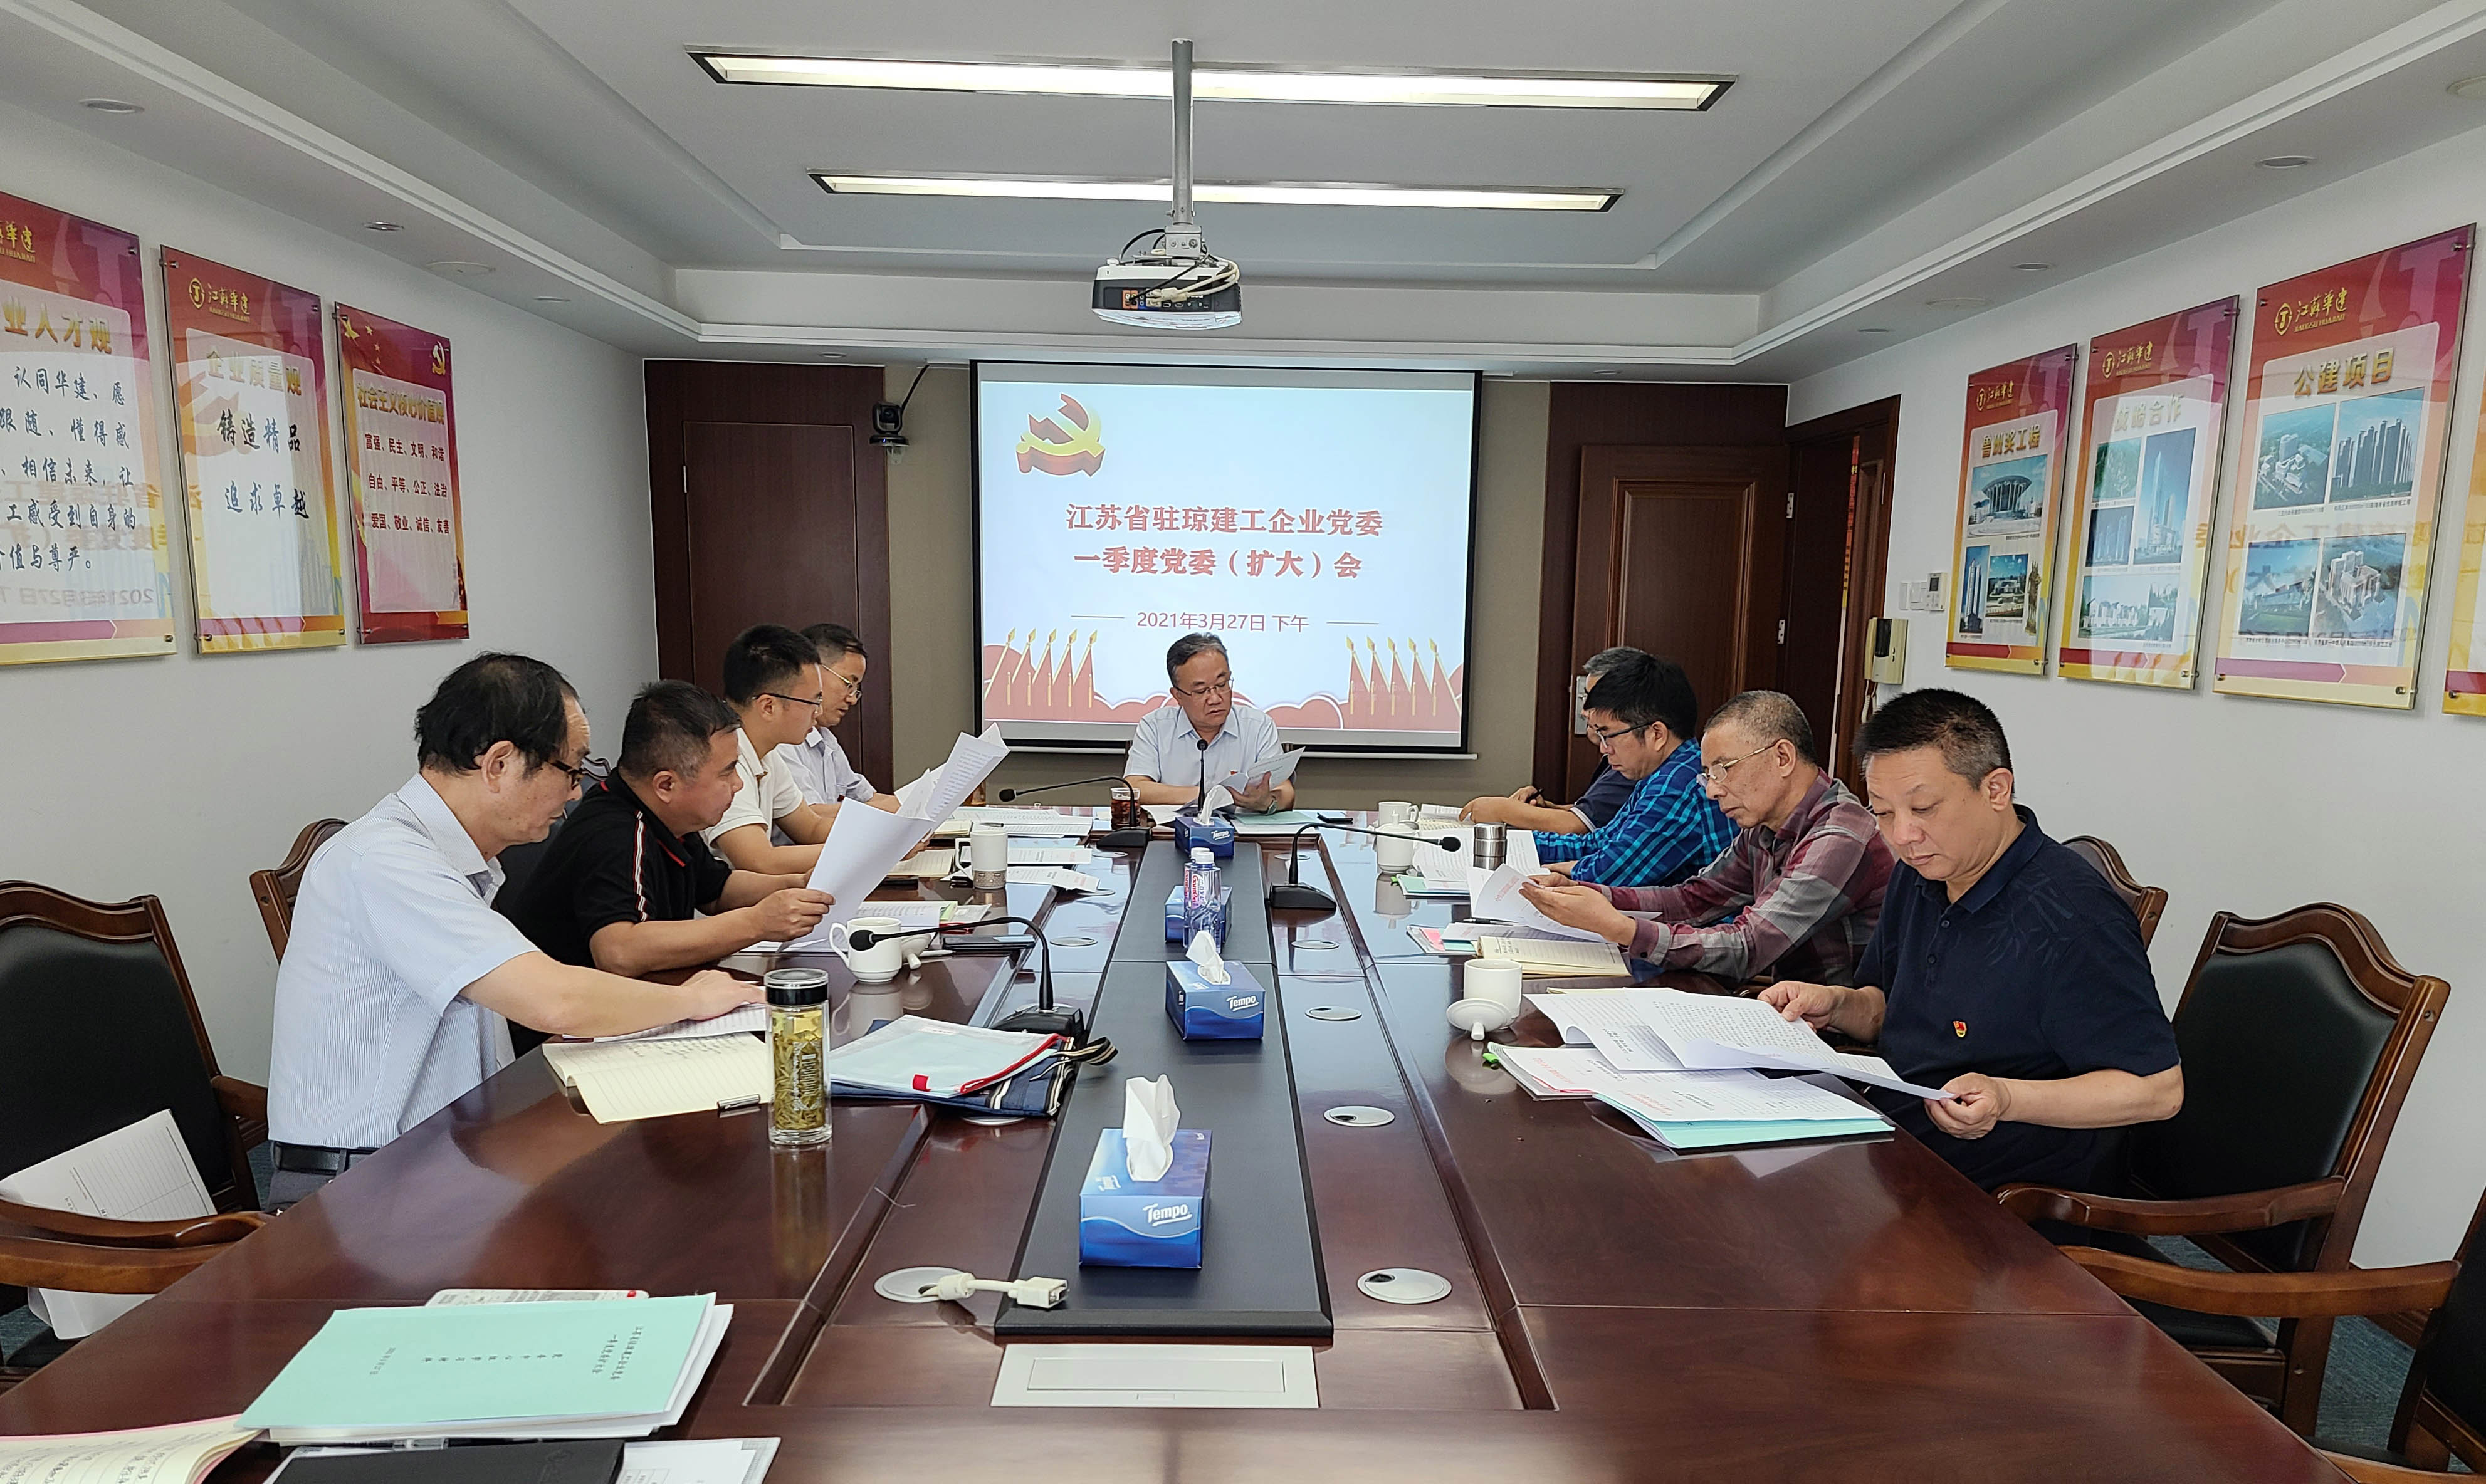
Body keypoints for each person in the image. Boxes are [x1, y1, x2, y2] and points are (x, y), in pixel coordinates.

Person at [267, 654, 760, 1208]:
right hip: (362, 1186)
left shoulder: (456, 858)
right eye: (570, 769)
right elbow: (555, 1000)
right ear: (500, 764)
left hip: (456, 1151)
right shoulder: (384, 862)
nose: (576, 792)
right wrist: (692, 1000)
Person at [1757, 688, 2182, 1192]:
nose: (1903, 836)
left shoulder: (2074, 917)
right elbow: (1889, 1010)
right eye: (1884, 813)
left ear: (1996, 790)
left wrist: (2006, 1097)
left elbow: (2159, 1091)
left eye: (1924, 808)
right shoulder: (1922, 872)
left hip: (2002, 1184)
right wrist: (1834, 1004)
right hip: (1894, 1134)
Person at [1520, 690, 1891, 985]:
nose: (1712, 790)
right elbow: (1694, 899)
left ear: (1782, 758)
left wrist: (1623, 929)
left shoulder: (1839, 837)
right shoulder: (1763, 827)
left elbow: (1750, 945)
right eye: (1708, 774)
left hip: (1831, 1036)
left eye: (1723, 770)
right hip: (1783, 1010)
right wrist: (1591, 894)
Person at [498, 680, 835, 977]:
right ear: (666, 785)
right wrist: (757, 923)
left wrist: (795, 885)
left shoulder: (672, 819)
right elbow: (619, 952)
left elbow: (717, 890)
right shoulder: (614, 832)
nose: (738, 784)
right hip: (572, 1020)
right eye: (727, 772)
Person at [1529, 652, 1734, 889]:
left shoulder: (1678, 788)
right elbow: (1599, 843)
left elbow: (1608, 875)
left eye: (1609, 736)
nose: (1604, 749)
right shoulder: (1664, 774)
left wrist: (1570, 870)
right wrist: (1518, 842)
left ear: (1656, 734)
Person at [1460, 647, 1642, 833]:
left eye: (1593, 700)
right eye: (1585, 697)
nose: (1583, 712)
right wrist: (1545, 809)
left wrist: (1503, 810)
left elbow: (1578, 827)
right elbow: (1592, 815)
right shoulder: (1616, 757)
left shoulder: (1633, 761)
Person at [704, 624, 834, 874]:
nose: (818, 712)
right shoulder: (722, 757)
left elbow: (811, 828)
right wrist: (867, 850)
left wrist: (881, 836)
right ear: (768, 707)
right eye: (813, 701)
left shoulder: (766, 752)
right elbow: (760, 861)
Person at [1123, 632, 1295, 813]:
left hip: (1242, 830)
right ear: (1178, 696)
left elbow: (1285, 792)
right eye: (1201, 691)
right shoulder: (1155, 727)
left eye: (1222, 685)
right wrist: (1210, 795)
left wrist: (1267, 802)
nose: (1215, 699)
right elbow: (1135, 787)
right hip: (1174, 830)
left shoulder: (1258, 726)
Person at [778, 622, 901, 820]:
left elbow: (866, 797)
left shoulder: (826, 738)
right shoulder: (782, 739)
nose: (852, 699)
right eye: (848, 684)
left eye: (856, 688)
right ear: (814, 671)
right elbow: (809, 815)